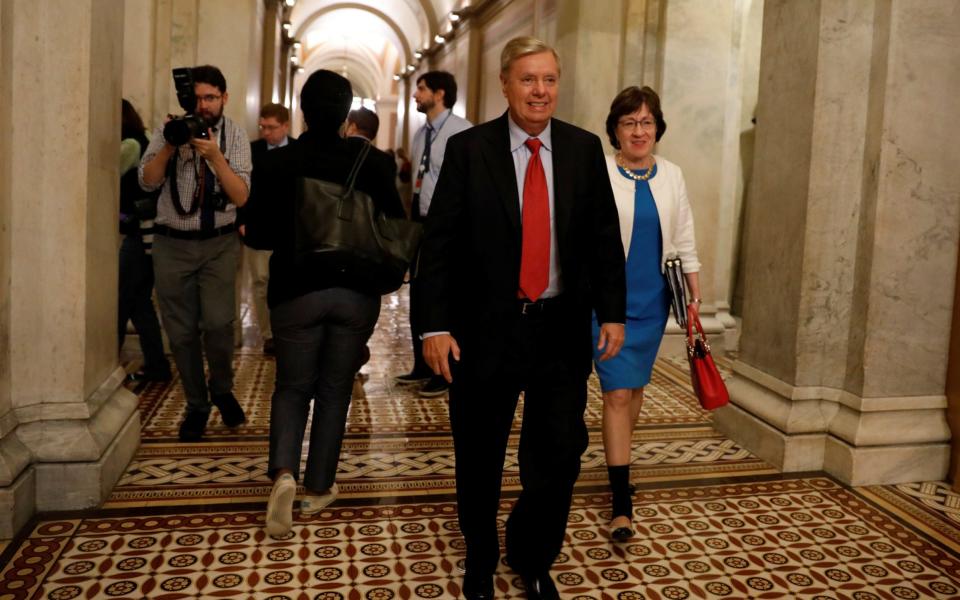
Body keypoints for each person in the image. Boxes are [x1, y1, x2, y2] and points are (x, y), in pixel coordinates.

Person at [418, 37, 626, 600]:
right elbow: (437, 246)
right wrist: (433, 326)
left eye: (550, 80)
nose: (540, 91)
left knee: (557, 454)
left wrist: (613, 313)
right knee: (480, 452)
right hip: (484, 331)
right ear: (506, 83)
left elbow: (605, 238)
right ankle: (481, 560)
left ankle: (533, 555)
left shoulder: (583, 150)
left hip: (558, 330)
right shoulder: (469, 150)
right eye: (529, 80)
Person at [245, 70, 404, 538]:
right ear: (345, 113)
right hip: (355, 294)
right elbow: (394, 226)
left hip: (296, 292)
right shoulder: (373, 163)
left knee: (292, 386)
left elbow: (257, 235)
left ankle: (284, 474)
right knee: (335, 388)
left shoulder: (278, 163)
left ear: (302, 110)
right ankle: (320, 484)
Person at [598, 85, 701, 542]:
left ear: (658, 127)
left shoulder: (672, 174)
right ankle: (621, 503)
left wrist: (694, 299)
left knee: (634, 390)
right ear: (615, 130)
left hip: (653, 299)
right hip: (608, 303)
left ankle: (621, 467)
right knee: (617, 394)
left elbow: (684, 238)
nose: (639, 131)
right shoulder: (599, 172)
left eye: (646, 123)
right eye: (629, 123)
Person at [139, 65, 251, 442]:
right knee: (181, 333)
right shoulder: (169, 129)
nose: (203, 106)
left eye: (211, 98)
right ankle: (197, 404)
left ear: (224, 98)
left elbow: (241, 196)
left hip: (218, 245)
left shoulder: (234, 135)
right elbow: (148, 179)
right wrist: (171, 145)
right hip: (171, 245)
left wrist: (216, 158)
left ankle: (221, 386)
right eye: (198, 98)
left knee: (219, 325)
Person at [393, 70, 472, 399]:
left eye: (421, 89)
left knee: (442, 295)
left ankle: (445, 370)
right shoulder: (419, 132)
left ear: (440, 94)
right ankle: (422, 365)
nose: (415, 95)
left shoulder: (462, 132)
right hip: (420, 222)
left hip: (449, 226)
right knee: (419, 294)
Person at [118, 99, 171, 383]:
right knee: (139, 302)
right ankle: (158, 365)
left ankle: (106, 365)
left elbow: (102, 173)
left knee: (122, 298)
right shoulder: (147, 138)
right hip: (149, 233)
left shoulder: (130, 145)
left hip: (138, 232)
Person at [239, 102, 295, 356]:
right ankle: (269, 334)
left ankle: (288, 330)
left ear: (285, 125)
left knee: (287, 284)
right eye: (262, 127)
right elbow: (241, 187)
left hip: (289, 231)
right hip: (258, 229)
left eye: (271, 128)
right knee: (261, 284)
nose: (266, 133)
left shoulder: (298, 151)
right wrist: (241, 220)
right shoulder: (251, 151)